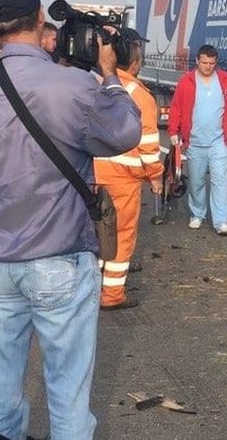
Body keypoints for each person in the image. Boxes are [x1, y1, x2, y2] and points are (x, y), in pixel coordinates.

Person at [0, 0, 141, 439]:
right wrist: (108, 75)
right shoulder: (73, 85)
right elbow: (122, 134)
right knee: (67, 393)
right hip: (57, 256)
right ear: (41, 16)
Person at [93, 28, 163, 310]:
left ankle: (90, 286)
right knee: (120, 237)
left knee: (94, 233)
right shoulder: (140, 96)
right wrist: (156, 177)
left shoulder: (94, 85)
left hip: (92, 175)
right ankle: (111, 295)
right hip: (123, 181)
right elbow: (148, 145)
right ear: (134, 61)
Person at [168, 45, 227, 234]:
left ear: (216, 62)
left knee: (220, 179)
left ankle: (221, 220)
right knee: (196, 181)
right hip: (194, 141)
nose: (208, 66)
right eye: (204, 62)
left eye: (212, 63)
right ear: (197, 61)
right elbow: (176, 107)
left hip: (218, 141)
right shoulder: (186, 82)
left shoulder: (226, 81)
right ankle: (197, 214)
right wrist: (173, 131)